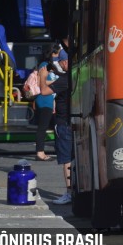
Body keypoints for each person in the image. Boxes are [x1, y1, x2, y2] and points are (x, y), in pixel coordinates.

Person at [43, 48, 72, 205]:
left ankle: (69, 192)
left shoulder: (64, 79)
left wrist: (41, 76)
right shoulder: (74, 77)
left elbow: (44, 91)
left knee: (67, 159)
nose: (60, 65)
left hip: (63, 123)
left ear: (66, 61)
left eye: (61, 62)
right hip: (73, 121)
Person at [34, 43, 62, 161]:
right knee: (43, 127)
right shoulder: (44, 65)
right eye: (57, 53)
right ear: (51, 54)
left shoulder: (49, 65)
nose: (58, 55)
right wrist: (59, 82)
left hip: (50, 100)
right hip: (45, 100)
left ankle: (59, 149)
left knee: (56, 126)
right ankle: (40, 152)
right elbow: (42, 83)